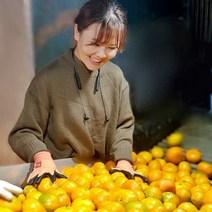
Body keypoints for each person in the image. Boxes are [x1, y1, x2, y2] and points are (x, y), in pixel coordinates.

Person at [8, 0, 137, 185]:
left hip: (104, 181)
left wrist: (124, 161)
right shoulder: (47, 80)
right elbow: (23, 132)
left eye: (111, 48)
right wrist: (42, 158)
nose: (101, 54)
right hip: (57, 180)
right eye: (95, 44)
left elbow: (123, 126)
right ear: (77, 32)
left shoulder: (116, 77)